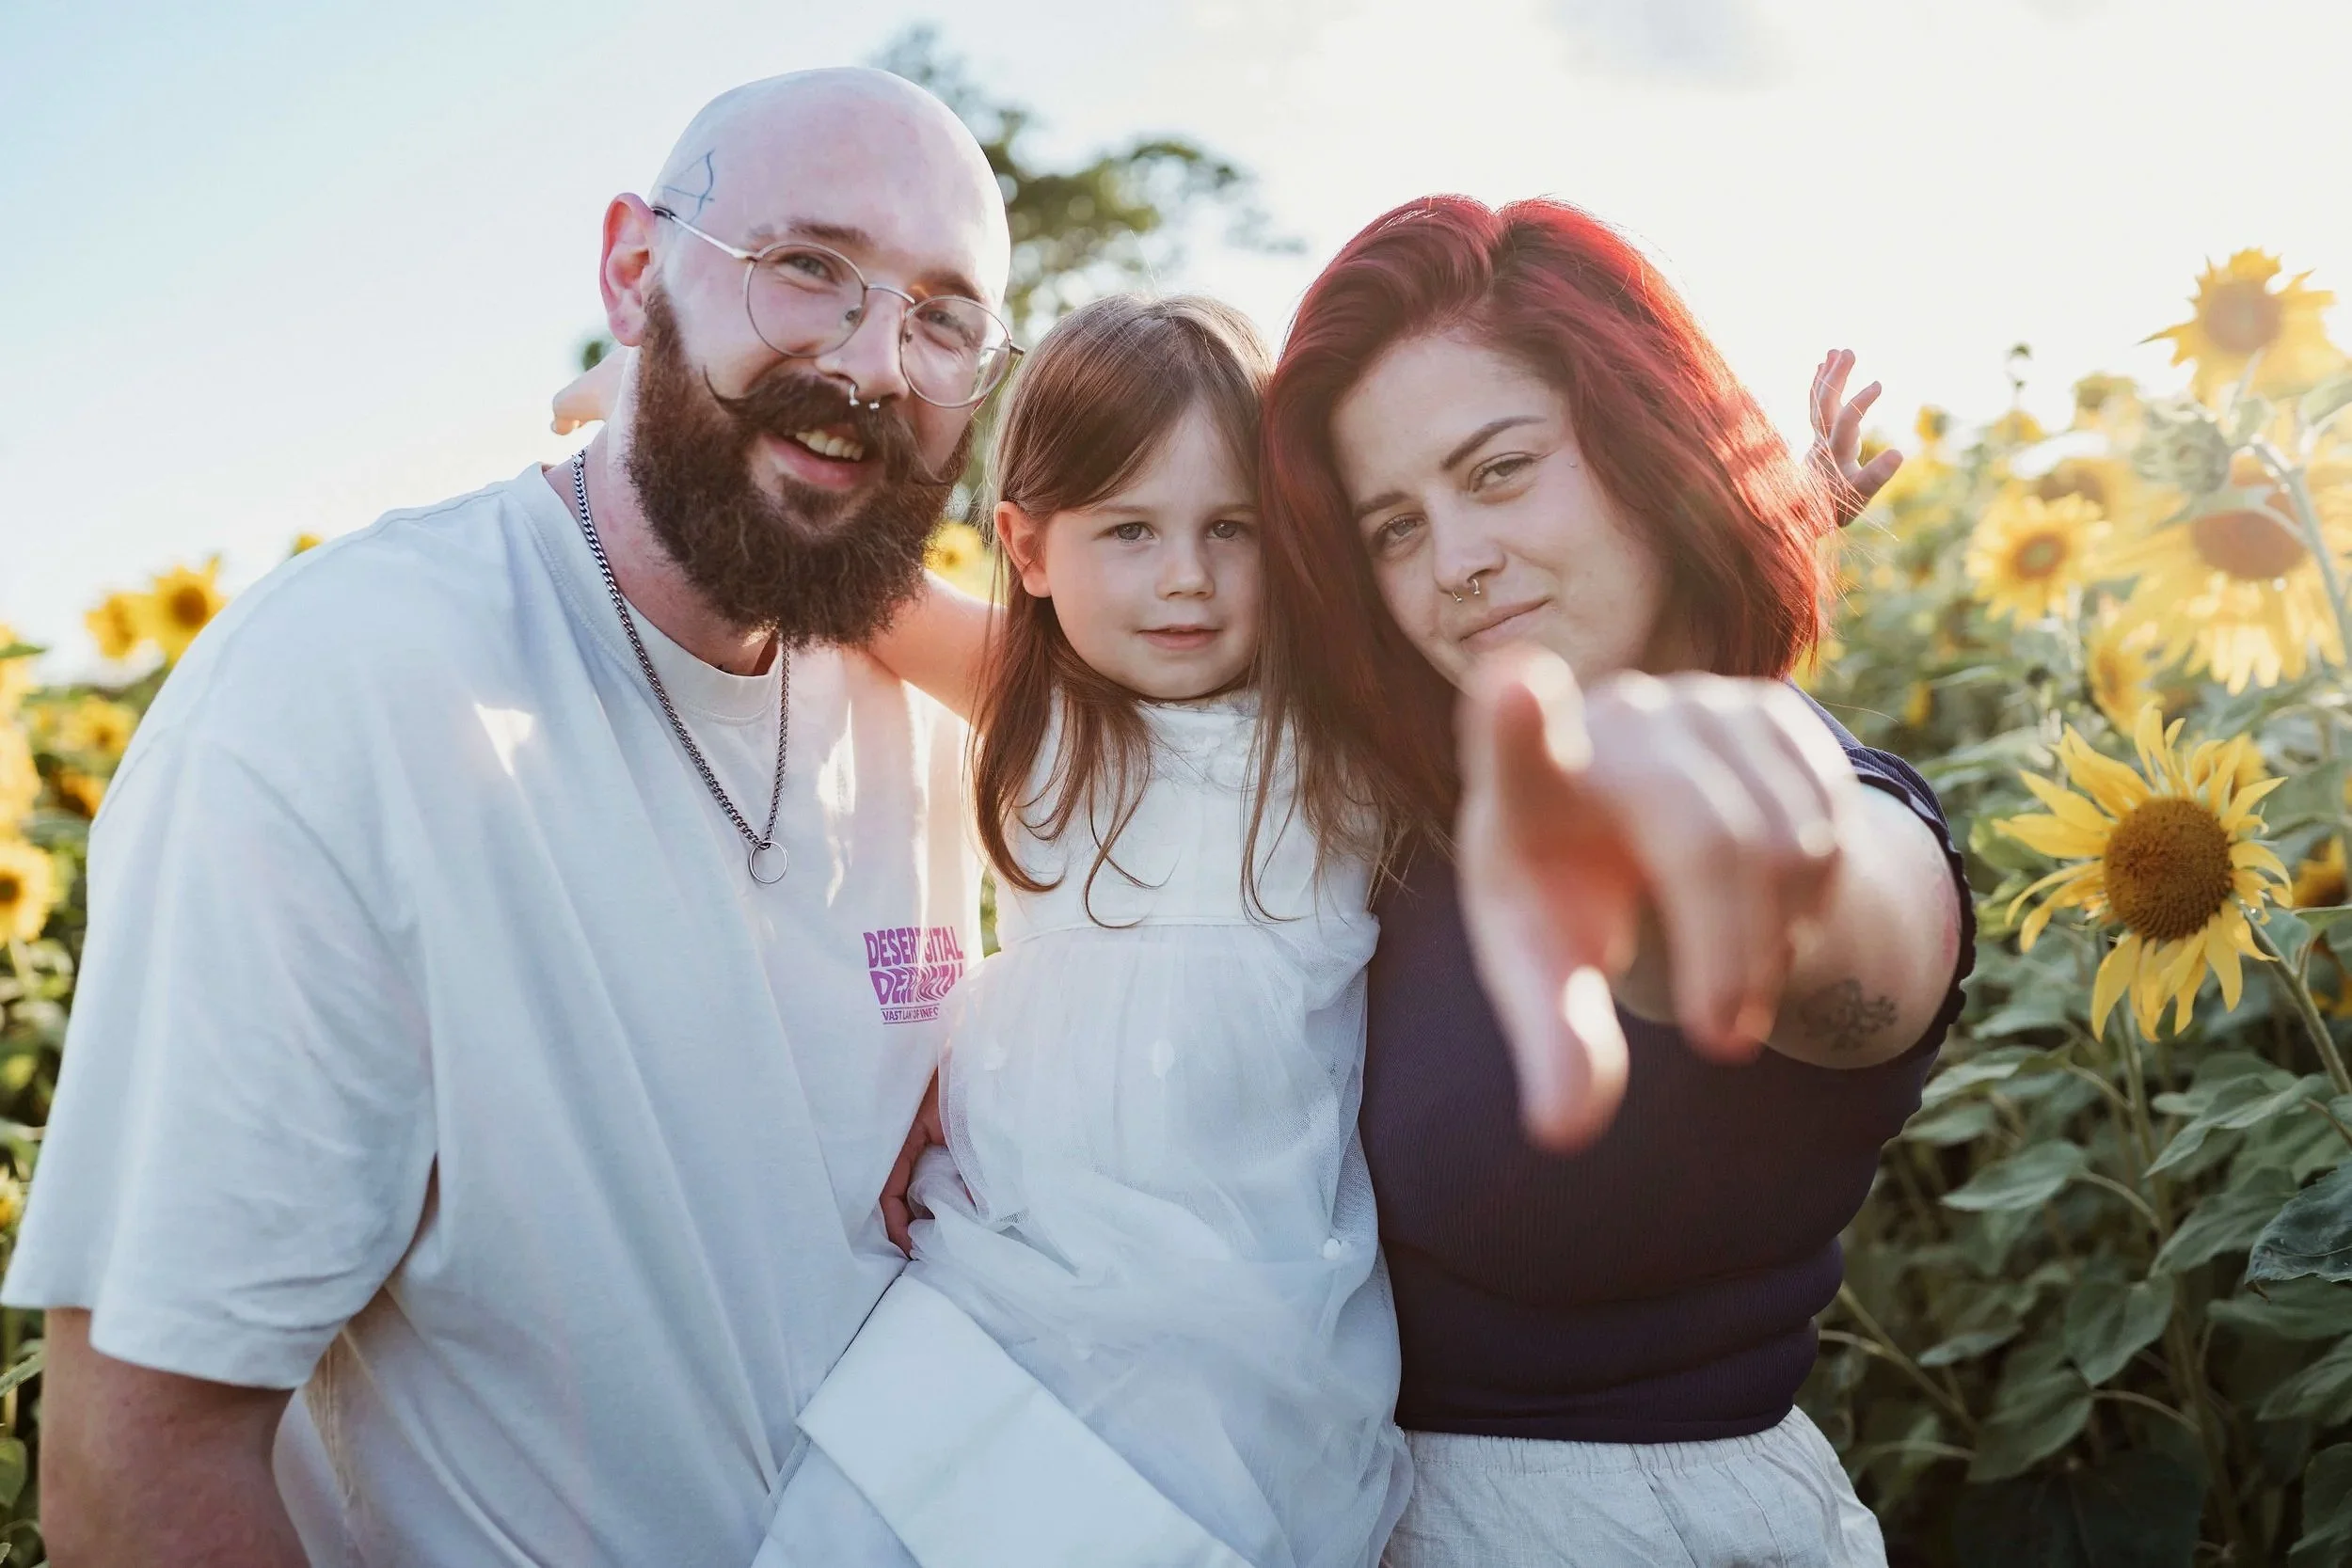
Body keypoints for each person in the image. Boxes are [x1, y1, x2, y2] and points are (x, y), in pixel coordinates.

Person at [6, 69, 1015, 1567]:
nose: (875, 359)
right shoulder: (340, 691)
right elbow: (137, 1467)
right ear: (631, 266)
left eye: (943, 316)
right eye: (807, 266)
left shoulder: (916, 712)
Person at [1259, 195, 1971, 1566]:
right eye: (1394, 528)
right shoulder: (1406, 794)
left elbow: (1846, 924)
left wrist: (1670, 826)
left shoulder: (1828, 804)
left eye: (1501, 468)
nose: (1454, 562)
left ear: (1648, 444)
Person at [756, 293, 1413, 1568]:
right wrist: (634, 416)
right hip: (1019, 1274)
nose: (1187, 576)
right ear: (1031, 545)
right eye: (1130, 529)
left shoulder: (1337, 741)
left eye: (1234, 528)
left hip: (1251, 1313)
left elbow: (1554, 640)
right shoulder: (1039, 712)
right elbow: (834, 570)